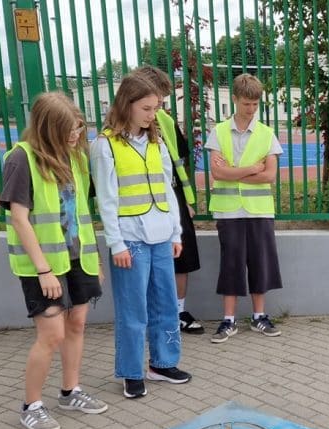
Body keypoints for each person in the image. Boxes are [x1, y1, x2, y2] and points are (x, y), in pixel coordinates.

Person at [0, 92, 108, 429]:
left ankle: (70, 391)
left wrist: (95, 260)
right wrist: (43, 270)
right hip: (43, 264)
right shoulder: (21, 159)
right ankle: (31, 406)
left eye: (78, 128)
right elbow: (20, 219)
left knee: (77, 324)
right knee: (51, 334)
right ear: (48, 128)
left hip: (78, 258)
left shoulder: (74, 157)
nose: (76, 135)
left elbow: (81, 213)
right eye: (68, 130)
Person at [91, 73, 192, 399]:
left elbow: (167, 189)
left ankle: (163, 363)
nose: (153, 115)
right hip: (130, 240)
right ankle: (131, 372)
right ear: (127, 105)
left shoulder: (156, 141)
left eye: (156, 108)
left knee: (166, 304)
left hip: (161, 236)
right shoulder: (105, 145)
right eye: (147, 109)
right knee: (133, 310)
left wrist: (175, 233)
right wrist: (116, 243)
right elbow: (106, 199)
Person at [204, 73, 284, 343]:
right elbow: (217, 173)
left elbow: (269, 175)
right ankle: (228, 320)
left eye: (255, 104)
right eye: (246, 104)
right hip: (228, 210)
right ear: (235, 99)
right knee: (231, 263)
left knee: (260, 262)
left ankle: (259, 316)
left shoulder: (266, 133)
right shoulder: (218, 132)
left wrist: (233, 172)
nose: (251, 109)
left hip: (259, 210)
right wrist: (250, 169)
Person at [132, 65, 205, 335]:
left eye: (161, 101)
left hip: (171, 197)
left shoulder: (164, 121)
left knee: (182, 256)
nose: (158, 107)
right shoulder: (117, 130)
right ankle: (151, 315)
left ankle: (178, 312)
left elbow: (178, 164)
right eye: (154, 101)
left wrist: (185, 200)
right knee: (145, 261)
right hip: (139, 204)